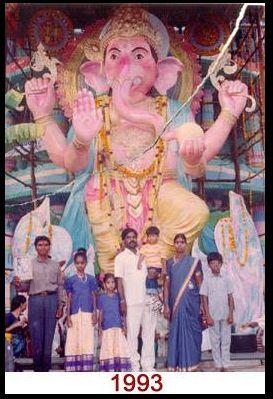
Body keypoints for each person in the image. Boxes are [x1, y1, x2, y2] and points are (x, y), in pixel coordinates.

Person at [13, 236, 64, 372]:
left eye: (46, 245)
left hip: (51, 300)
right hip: (35, 300)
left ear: (49, 247)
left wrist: (60, 305)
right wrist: (18, 283)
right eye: (40, 245)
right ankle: (37, 370)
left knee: (48, 337)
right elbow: (24, 286)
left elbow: (60, 286)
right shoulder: (29, 264)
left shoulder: (55, 265)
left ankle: (45, 371)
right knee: (36, 336)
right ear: (36, 248)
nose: (43, 247)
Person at [114, 228, 156, 371]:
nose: (131, 239)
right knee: (132, 335)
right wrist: (122, 301)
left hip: (147, 300)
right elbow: (119, 281)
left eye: (134, 237)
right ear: (124, 240)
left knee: (149, 333)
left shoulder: (142, 256)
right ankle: (133, 365)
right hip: (131, 302)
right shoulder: (120, 258)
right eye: (128, 237)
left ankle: (148, 365)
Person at [163, 233, 203, 371]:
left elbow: (200, 284)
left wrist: (203, 305)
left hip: (191, 303)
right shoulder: (169, 263)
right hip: (175, 303)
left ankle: (193, 363)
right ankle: (177, 363)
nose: (180, 244)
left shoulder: (193, 262)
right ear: (174, 244)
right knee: (176, 332)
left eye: (182, 242)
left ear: (186, 244)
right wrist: (166, 305)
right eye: (177, 242)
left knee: (193, 331)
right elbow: (166, 285)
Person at [200, 252, 234, 372]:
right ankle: (218, 365)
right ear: (209, 265)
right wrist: (207, 315)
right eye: (212, 263)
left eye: (217, 263)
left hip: (225, 314)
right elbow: (204, 298)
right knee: (215, 341)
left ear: (221, 264)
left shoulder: (227, 278)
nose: (215, 265)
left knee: (226, 340)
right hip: (212, 315)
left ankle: (226, 365)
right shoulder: (207, 280)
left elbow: (230, 297)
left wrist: (231, 314)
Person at [64, 250, 97, 371]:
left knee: (87, 338)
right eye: (77, 263)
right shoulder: (70, 280)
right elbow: (69, 299)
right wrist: (67, 316)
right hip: (74, 313)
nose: (80, 265)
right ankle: (74, 368)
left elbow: (94, 296)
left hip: (88, 312)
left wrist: (94, 313)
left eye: (82, 263)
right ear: (74, 264)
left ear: (86, 263)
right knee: (74, 338)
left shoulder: (92, 279)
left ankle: (86, 367)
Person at [98, 273, 131, 372]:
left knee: (119, 349)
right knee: (109, 349)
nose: (111, 284)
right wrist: (99, 327)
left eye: (112, 282)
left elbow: (123, 313)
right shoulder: (102, 297)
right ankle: (110, 370)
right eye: (108, 282)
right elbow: (101, 313)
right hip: (107, 328)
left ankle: (119, 370)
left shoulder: (119, 297)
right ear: (104, 284)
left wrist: (124, 325)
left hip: (118, 327)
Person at [138, 226, 166, 295]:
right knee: (149, 281)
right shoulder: (144, 247)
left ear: (157, 236)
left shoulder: (161, 247)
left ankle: (156, 293)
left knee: (156, 282)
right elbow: (141, 256)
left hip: (158, 268)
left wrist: (164, 269)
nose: (150, 238)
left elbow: (163, 259)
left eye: (153, 236)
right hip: (148, 268)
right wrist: (139, 263)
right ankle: (151, 294)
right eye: (149, 236)